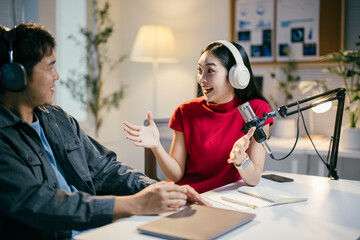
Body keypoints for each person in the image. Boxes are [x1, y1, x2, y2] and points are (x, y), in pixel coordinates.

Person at [0, 23, 209, 240]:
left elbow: (105, 169)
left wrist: (161, 192)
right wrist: (136, 204)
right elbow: (42, 204)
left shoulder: (56, 118)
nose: (57, 75)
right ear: (15, 75)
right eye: (49, 66)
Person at [123, 40, 273, 194]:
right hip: (189, 198)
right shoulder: (185, 111)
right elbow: (176, 174)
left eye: (210, 71)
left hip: (228, 199)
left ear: (235, 75)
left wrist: (242, 161)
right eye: (200, 70)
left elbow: (253, 179)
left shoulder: (256, 111)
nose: (201, 79)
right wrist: (156, 146)